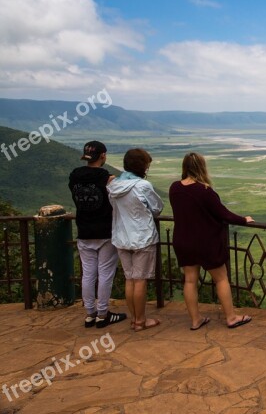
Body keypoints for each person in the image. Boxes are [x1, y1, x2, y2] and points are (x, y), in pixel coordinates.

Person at [168, 152, 254, 330]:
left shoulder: (174, 188)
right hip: (205, 242)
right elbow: (223, 213)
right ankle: (231, 317)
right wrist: (243, 220)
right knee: (221, 279)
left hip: (183, 241)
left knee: (190, 280)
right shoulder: (205, 191)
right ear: (202, 167)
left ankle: (195, 320)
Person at [69, 141, 127, 329]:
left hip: (84, 230)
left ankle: (89, 314)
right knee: (105, 274)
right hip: (105, 231)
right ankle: (103, 314)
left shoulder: (74, 176)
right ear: (103, 156)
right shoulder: (107, 178)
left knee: (88, 274)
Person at [108, 148, 163, 332]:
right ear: (142, 166)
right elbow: (157, 208)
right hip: (142, 237)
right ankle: (141, 321)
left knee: (129, 279)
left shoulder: (113, 186)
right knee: (140, 280)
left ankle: (134, 319)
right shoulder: (142, 186)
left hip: (121, 237)